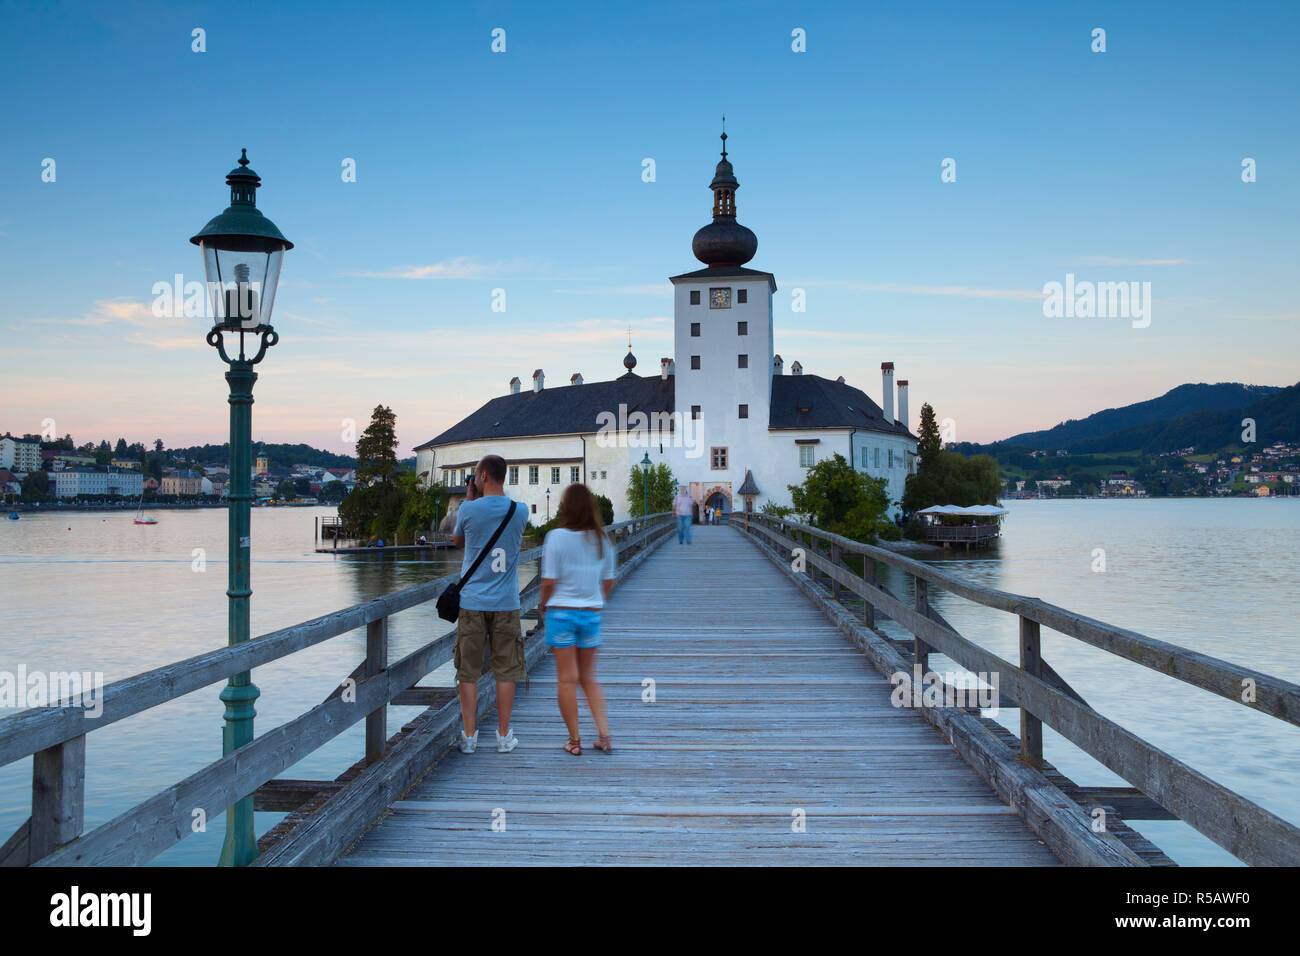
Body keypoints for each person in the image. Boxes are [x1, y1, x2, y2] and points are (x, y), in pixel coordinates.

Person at [451, 454, 530, 754]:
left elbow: (458, 541)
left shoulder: (468, 510)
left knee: (468, 670)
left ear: (483, 475)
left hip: (472, 601)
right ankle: (503, 735)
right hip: (506, 602)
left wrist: (470, 499)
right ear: (503, 476)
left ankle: (470, 736)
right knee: (506, 669)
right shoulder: (519, 510)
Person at [538, 484, 616, 755]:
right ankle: (604, 735)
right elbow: (608, 581)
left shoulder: (555, 537)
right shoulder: (602, 539)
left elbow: (549, 581)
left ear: (565, 507)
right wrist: (595, 601)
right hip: (591, 615)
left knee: (567, 680)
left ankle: (574, 741)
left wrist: (542, 605)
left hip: (561, 614)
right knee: (589, 678)